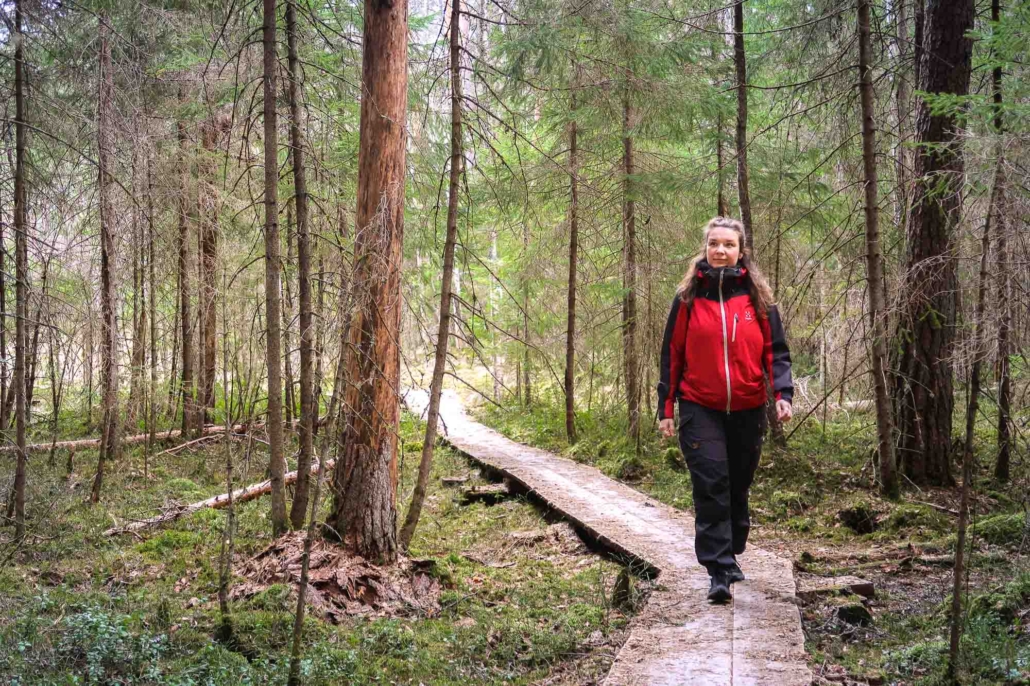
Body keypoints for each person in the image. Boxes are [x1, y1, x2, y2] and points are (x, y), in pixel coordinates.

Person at [657, 216, 793, 603]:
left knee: (738, 483)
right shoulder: (688, 298)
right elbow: (672, 354)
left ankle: (731, 550)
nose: (720, 250)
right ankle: (718, 569)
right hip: (699, 405)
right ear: (705, 249)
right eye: (714, 244)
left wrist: (782, 393)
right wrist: (666, 408)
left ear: (740, 250)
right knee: (712, 482)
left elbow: (776, 351)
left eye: (728, 244)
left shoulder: (757, 298)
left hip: (748, 407)